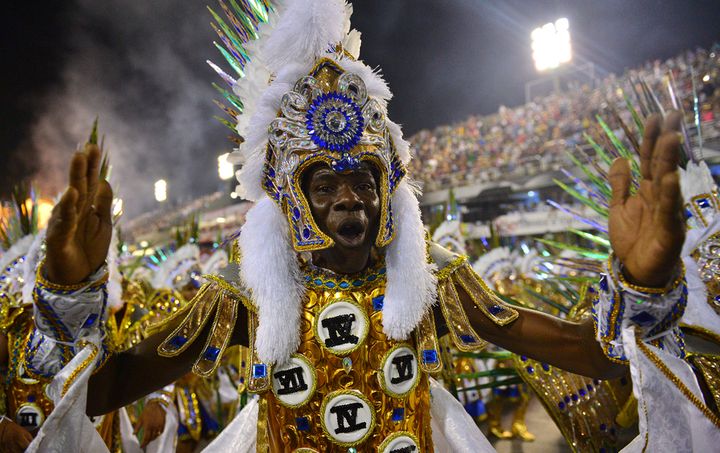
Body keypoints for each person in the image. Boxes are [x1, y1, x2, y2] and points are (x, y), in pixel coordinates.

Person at [24, 1, 691, 451]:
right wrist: (69, 294)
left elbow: (596, 356)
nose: (349, 201)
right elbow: (97, 396)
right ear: (289, 200)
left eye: (361, 180)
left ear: (388, 188)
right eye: (324, 183)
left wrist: (644, 286)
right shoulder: (240, 306)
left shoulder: (441, 293)